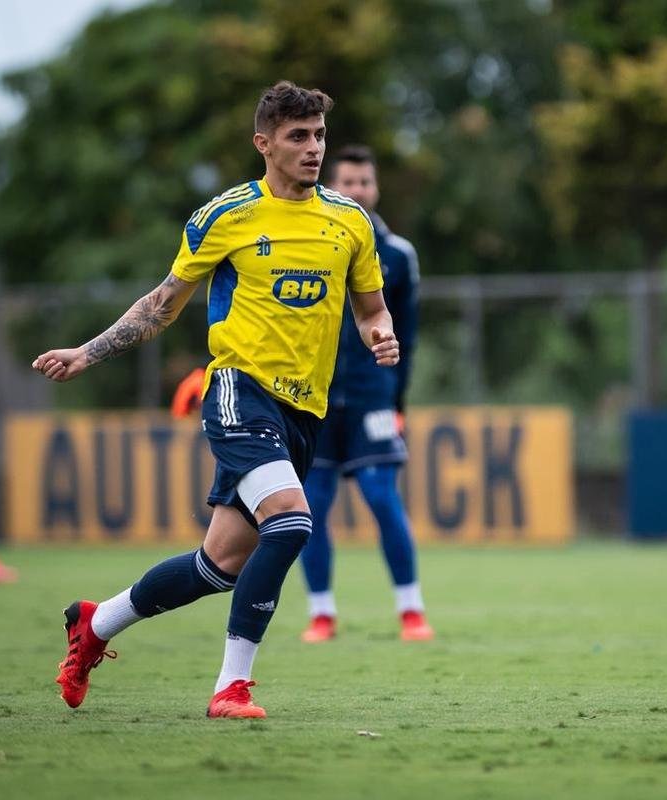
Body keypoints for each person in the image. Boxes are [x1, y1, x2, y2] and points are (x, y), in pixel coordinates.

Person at [32, 80, 400, 718]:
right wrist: (86, 353)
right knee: (291, 521)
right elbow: (161, 306)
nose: (313, 149)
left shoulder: (350, 221)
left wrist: (381, 334)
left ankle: (94, 624)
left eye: (318, 136)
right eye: (297, 137)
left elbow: (371, 308)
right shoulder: (226, 215)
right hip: (237, 390)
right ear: (264, 144)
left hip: (302, 410)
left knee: (220, 564)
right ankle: (232, 687)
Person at [297, 145, 432, 643]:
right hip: (316, 398)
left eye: (365, 183)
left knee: (381, 495)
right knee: (310, 507)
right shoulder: (312, 245)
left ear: (376, 189)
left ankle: (411, 610)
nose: (357, 191)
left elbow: (408, 336)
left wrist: (398, 403)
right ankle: (322, 614)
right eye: (348, 183)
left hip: (374, 396)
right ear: (332, 187)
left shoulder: (398, 254)